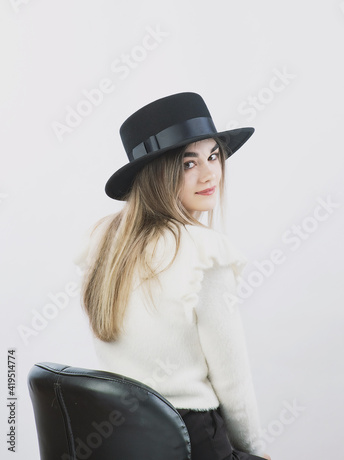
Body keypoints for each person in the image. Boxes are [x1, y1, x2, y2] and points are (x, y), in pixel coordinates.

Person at [77, 92, 271, 460]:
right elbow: (234, 382)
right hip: (193, 441)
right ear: (158, 174)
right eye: (188, 163)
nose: (210, 173)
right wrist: (254, 451)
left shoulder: (106, 242)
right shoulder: (204, 253)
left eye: (213, 156)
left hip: (122, 440)